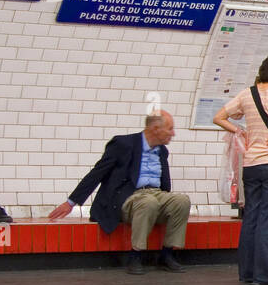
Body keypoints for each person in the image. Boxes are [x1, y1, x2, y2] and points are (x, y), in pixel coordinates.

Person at [47, 111, 190, 274]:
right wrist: (71, 202)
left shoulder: (162, 151)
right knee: (148, 202)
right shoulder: (123, 144)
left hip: (156, 193)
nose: (173, 133)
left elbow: (165, 185)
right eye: (170, 129)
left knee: (181, 201)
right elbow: (98, 172)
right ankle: (135, 255)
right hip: (130, 197)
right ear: (156, 128)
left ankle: (167, 254)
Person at [213, 52, 268, 285]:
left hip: (251, 165)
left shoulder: (247, 94)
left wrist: (239, 131)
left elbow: (219, 117)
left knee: (251, 218)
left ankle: (248, 273)